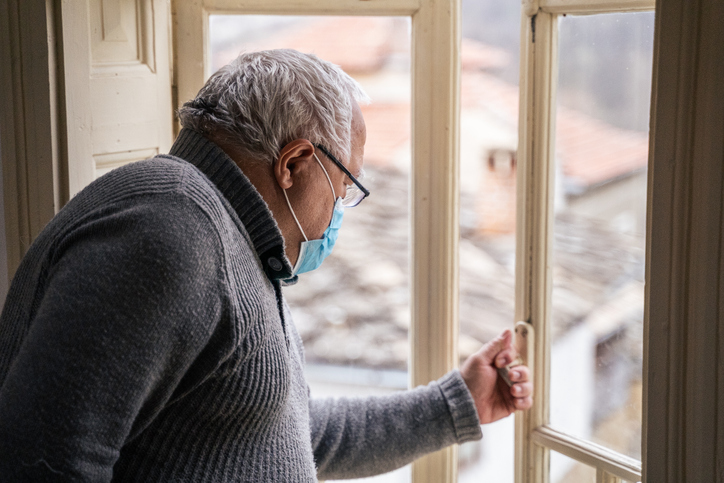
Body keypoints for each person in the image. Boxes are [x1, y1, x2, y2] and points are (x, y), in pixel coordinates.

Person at [0, 49, 532, 482]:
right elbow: (43, 464)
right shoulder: (170, 229)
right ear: (294, 164)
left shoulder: (221, 234)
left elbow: (285, 433)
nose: (336, 218)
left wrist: (455, 403)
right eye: (345, 189)